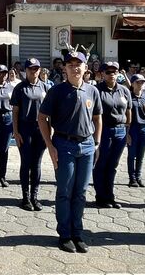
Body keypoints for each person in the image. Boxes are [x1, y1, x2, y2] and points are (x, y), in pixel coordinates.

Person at [38, 50, 102, 253]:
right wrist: (50, 145)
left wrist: (97, 143)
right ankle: (65, 234)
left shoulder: (92, 91)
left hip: (87, 146)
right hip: (64, 145)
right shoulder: (57, 91)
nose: (75, 68)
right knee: (65, 191)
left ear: (86, 68)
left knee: (81, 192)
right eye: (70, 64)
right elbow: (42, 118)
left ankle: (77, 233)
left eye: (79, 64)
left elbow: (98, 118)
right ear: (64, 68)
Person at [91, 61, 132, 209]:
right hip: (104, 131)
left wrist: (128, 131)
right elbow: (93, 115)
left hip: (120, 131)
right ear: (102, 74)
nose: (112, 74)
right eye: (108, 72)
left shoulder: (124, 90)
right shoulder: (96, 90)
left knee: (113, 166)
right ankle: (100, 196)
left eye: (114, 72)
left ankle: (110, 196)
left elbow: (128, 111)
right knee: (101, 164)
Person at [11, 58, 47, 212]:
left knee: (37, 164)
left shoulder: (45, 87)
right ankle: (25, 197)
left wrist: (49, 133)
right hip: (25, 128)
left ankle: (35, 196)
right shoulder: (20, 88)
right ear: (25, 70)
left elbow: (49, 113)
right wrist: (16, 131)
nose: (34, 71)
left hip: (40, 129)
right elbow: (15, 112)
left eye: (37, 68)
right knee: (26, 163)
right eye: (31, 69)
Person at [126, 74, 145, 188]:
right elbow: (126, 118)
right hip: (133, 129)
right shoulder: (129, 98)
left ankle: (138, 176)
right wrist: (127, 133)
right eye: (138, 82)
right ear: (132, 84)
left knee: (140, 156)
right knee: (131, 155)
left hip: (144, 129)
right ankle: (132, 178)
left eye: (142, 82)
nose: (140, 85)